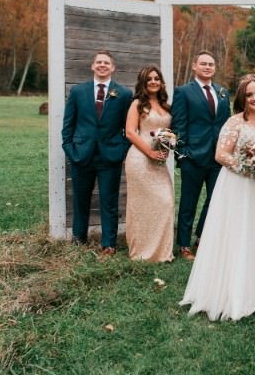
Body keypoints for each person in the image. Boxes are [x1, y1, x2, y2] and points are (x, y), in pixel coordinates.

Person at [180, 75, 255, 321]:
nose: (254, 98)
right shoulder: (234, 122)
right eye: (249, 95)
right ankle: (233, 291)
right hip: (239, 186)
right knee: (238, 234)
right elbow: (221, 155)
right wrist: (248, 167)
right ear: (242, 98)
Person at [61, 49, 132, 255]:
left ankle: (109, 244)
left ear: (113, 67)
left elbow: (128, 128)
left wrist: (121, 150)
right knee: (80, 199)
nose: (102, 65)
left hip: (110, 156)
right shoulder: (77, 92)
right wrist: (69, 148)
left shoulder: (123, 94)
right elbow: (68, 125)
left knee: (109, 201)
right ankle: (78, 239)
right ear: (92, 66)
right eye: (99, 62)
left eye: (106, 63)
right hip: (81, 154)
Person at [171, 50, 231, 260]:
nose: (207, 67)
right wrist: (182, 155)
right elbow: (178, 125)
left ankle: (202, 238)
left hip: (217, 158)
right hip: (193, 157)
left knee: (214, 200)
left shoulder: (223, 92)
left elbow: (226, 124)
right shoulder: (183, 92)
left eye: (211, 64)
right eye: (203, 63)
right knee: (189, 202)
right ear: (195, 66)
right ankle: (184, 245)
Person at [124, 65, 174, 262]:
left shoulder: (166, 106)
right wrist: (150, 153)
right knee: (141, 206)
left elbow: (168, 133)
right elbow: (129, 132)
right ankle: (142, 252)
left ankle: (162, 251)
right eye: (149, 79)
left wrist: (167, 147)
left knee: (165, 202)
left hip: (158, 162)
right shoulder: (137, 104)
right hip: (139, 159)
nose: (153, 81)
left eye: (156, 78)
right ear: (143, 83)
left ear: (161, 82)